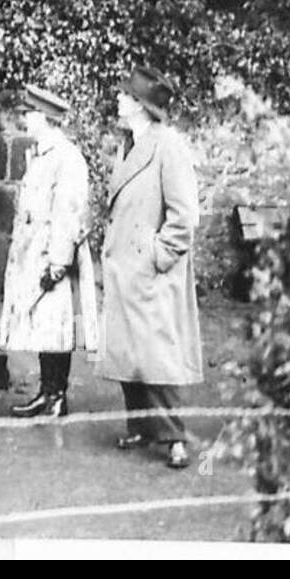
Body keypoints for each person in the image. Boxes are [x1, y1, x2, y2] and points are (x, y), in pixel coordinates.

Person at [99, 66, 202, 470]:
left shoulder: (167, 145)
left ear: (143, 107)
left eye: (126, 96)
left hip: (151, 270)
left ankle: (174, 436)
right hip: (125, 267)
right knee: (130, 352)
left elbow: (184, 216)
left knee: (157, 354)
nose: (119, 100)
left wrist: (158, 255)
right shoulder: (129, 143)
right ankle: (141, 426)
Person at [0, 85, 98, 417]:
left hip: (52, 255)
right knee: (43, 326)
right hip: (34, 251)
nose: (24, 119)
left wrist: (57, 263)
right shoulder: (42, 154)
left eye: (28, 114)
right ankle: (47, 391)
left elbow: (68, 213)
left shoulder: (66, 158)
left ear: (43, 117)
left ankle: (58, 396)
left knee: (56, 326)